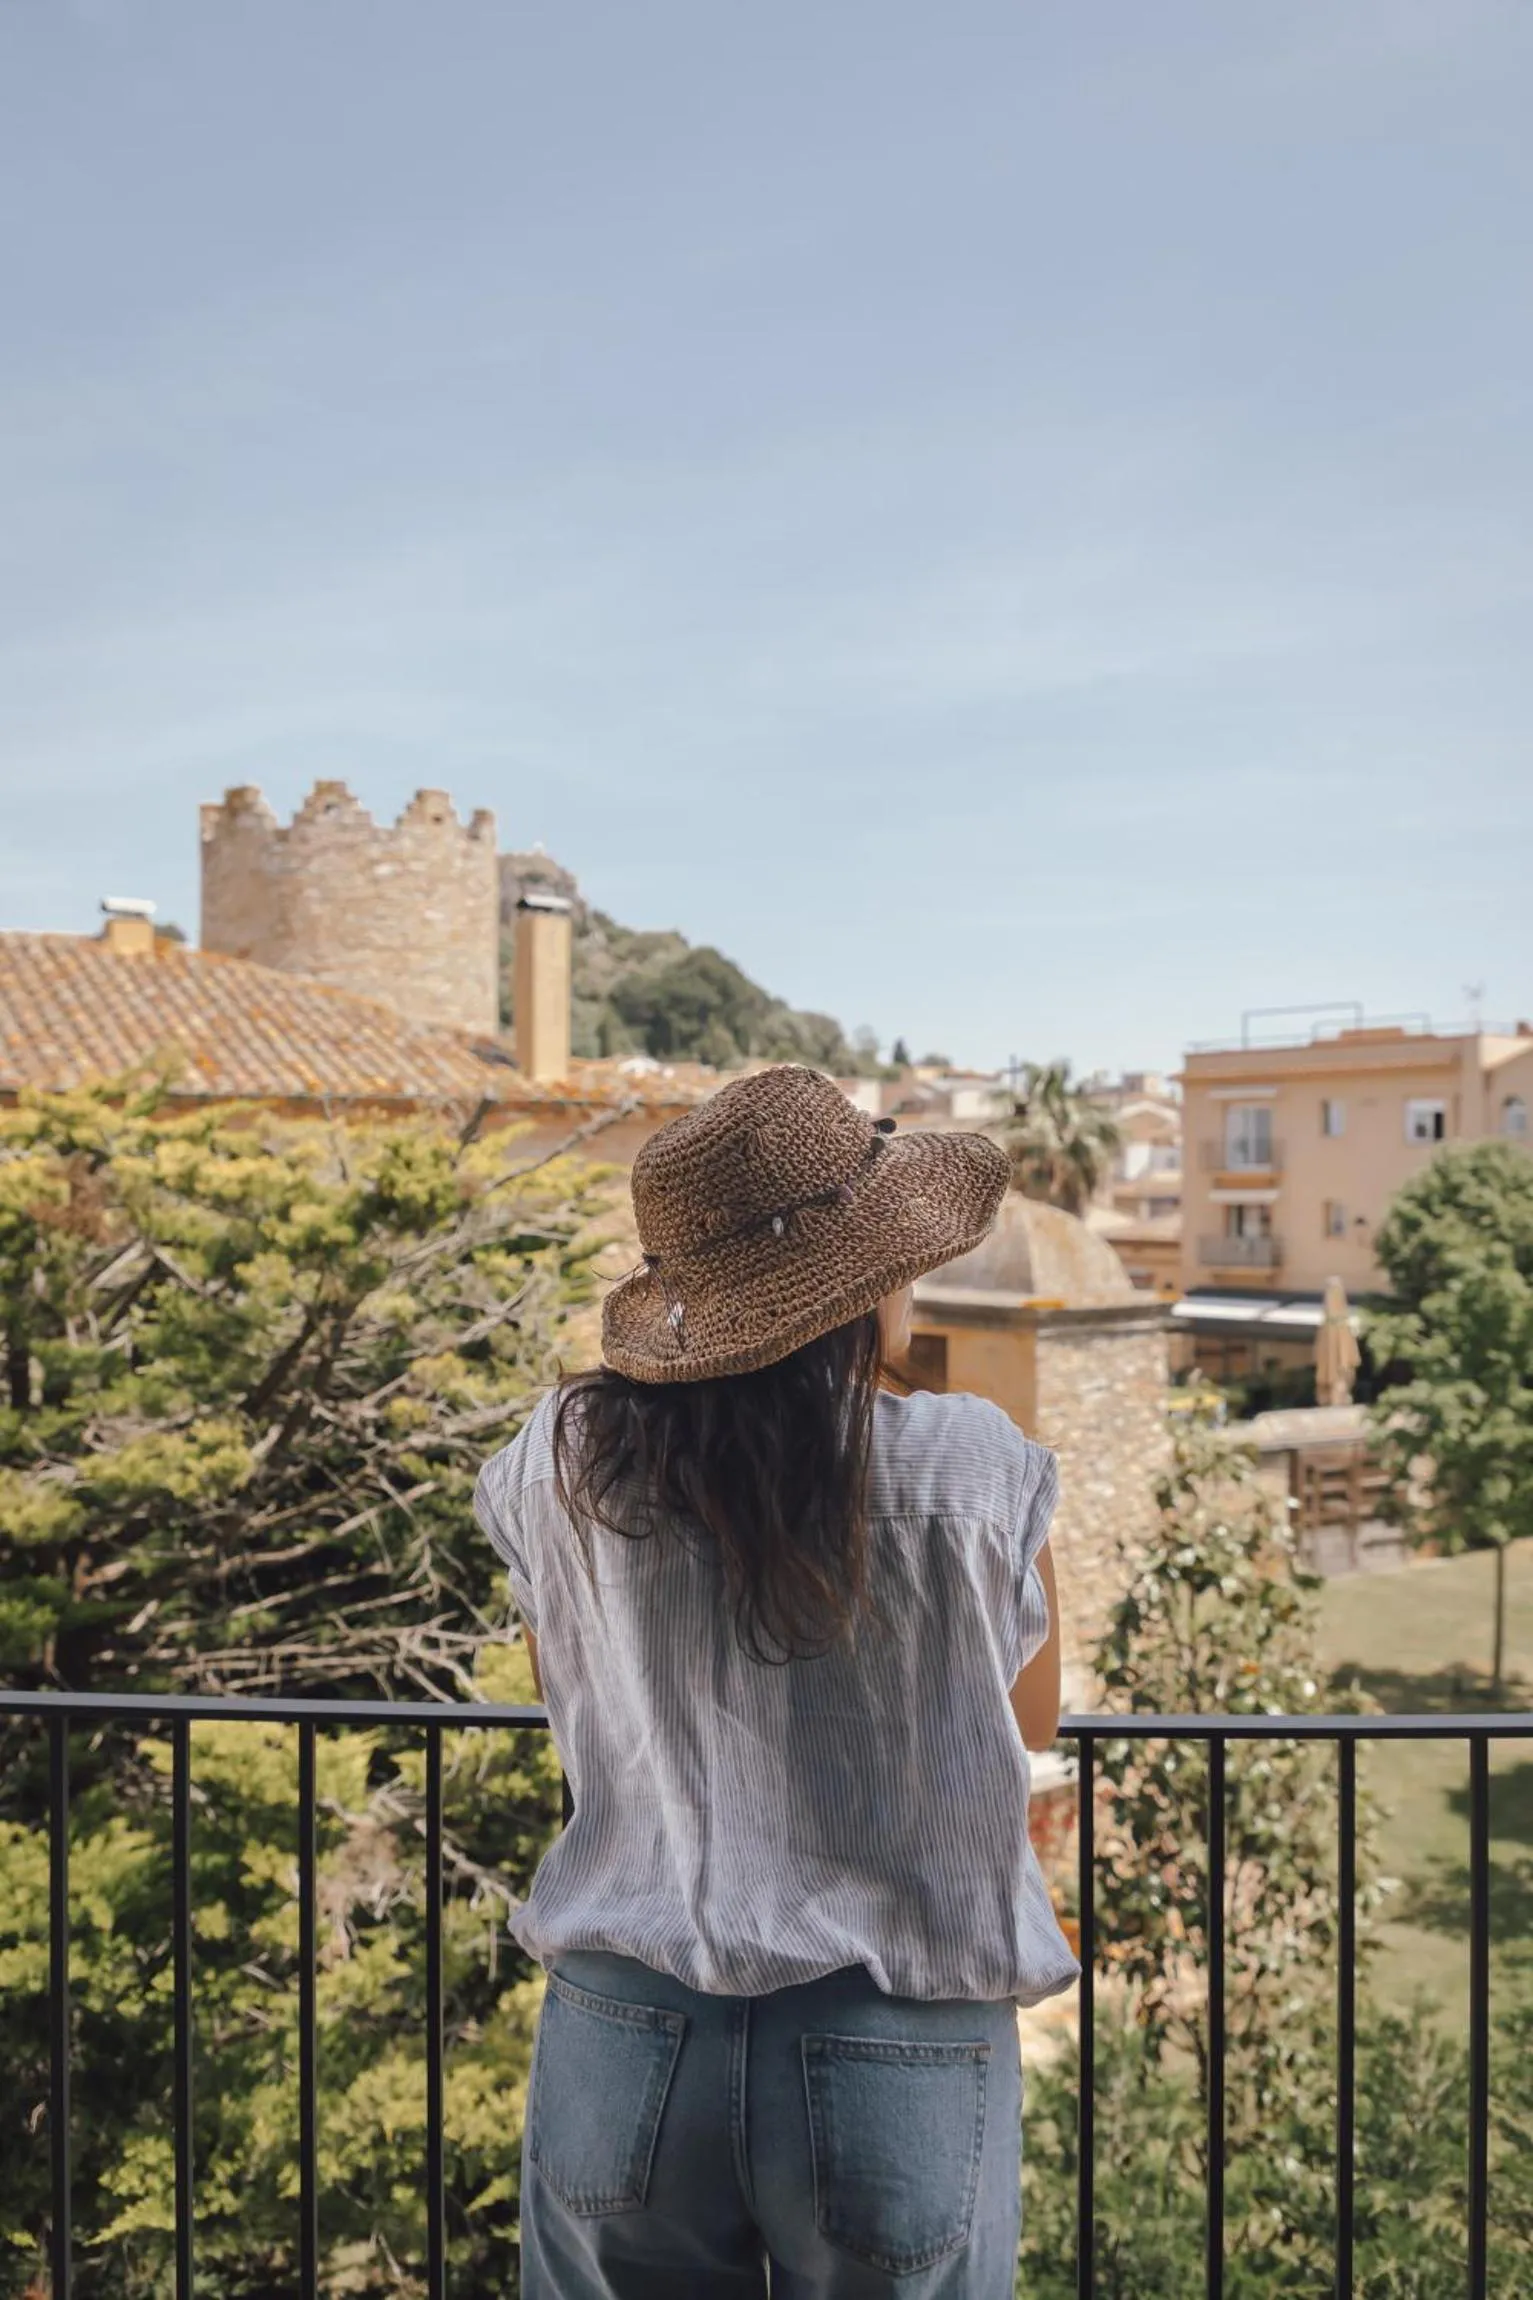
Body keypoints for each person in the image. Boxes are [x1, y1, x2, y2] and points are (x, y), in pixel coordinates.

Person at [474, 1065, 1077, 2298]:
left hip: (622, 2030)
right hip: (892, 2026)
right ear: (857, 1288)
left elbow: (569, 1696)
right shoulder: (974, 1469)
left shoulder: (562, 1466)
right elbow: (1029, 1720)